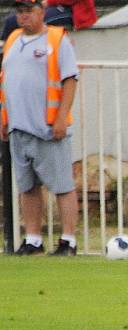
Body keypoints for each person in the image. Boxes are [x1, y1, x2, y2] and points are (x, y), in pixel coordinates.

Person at [0, 0, 79, 256]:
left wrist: (60, 117)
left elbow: (69, 80)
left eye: (28, 11)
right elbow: (6, 81)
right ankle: (33, 238)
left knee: (61, 185)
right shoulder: (12, 39)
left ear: (40, 12)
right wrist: (4, 119)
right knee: (27, 186)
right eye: (19, 11)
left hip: (47, 127)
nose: (23, 16)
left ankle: (68, 239)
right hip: (18, 127)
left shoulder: (57, 40)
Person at [1, 0, 97, 41]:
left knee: (32, 21)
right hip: (46, 6)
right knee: (11, 21)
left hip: (72, 9)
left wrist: (49, 2)